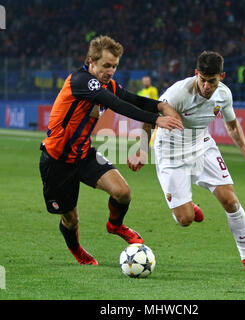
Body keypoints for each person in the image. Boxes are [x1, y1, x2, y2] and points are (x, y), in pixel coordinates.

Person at [39, 35, 183, 266]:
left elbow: (132, 99)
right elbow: (118, 105)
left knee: (122, 192)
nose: (111, 71)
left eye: (115, 66)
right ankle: (77, 250)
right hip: (57, 161)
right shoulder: (81, 81)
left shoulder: (108, 84)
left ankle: (115, 225)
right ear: (91, 62)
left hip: (83, 154)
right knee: (71, 219)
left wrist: (160, 105)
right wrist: (156, 119)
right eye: (106, 65)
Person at [128, 51, 245, 273]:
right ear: (196, 74)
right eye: (202, 79)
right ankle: (187, 206)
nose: (206, 86)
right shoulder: (178, 93)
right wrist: (142, 150)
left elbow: (232, 125)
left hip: (202, 146)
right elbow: (149, 114)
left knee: (231, 201)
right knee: (185, 220)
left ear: (221, 77)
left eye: (211, 81)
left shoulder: (224, 95)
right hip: (171, 153)